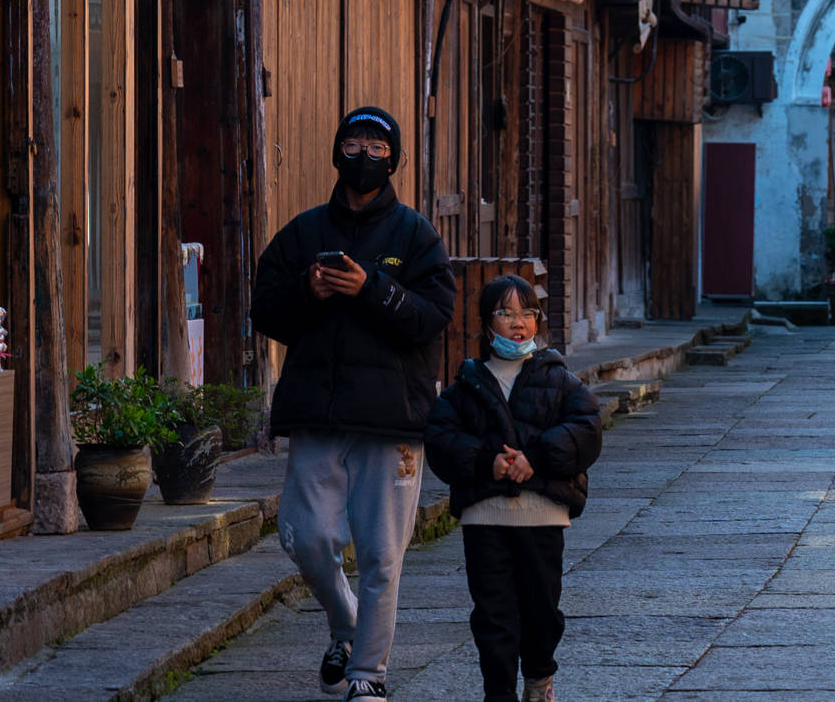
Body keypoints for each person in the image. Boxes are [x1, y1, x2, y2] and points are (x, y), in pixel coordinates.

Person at [251, 106, 460, 700]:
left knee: (381, 555)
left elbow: (431, 319)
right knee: (305, 536)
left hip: (394, 418)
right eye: (353, 141)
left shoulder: (416, 235)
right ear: (337, 149)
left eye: (376, 145)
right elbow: (263, 310)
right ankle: (344, 622)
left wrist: (373, 290)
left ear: (393, 160)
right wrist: (308, 292)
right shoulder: (303, 231)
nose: (364, 153)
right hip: (317, 412)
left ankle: (368, 673)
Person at [425, 273, 605, 702]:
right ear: (488, 323)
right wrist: (488, 461)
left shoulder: (559, 378)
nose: (517, 322)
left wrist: (535, 459)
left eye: (527, 312)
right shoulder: (466, 384)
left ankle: (539, 678)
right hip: (485, 517)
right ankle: (498, 693)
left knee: (542, 610)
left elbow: (588, 428)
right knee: (494, 613)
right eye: (506, 313)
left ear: (538, 321)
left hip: (542, 514)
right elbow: (441, 438)